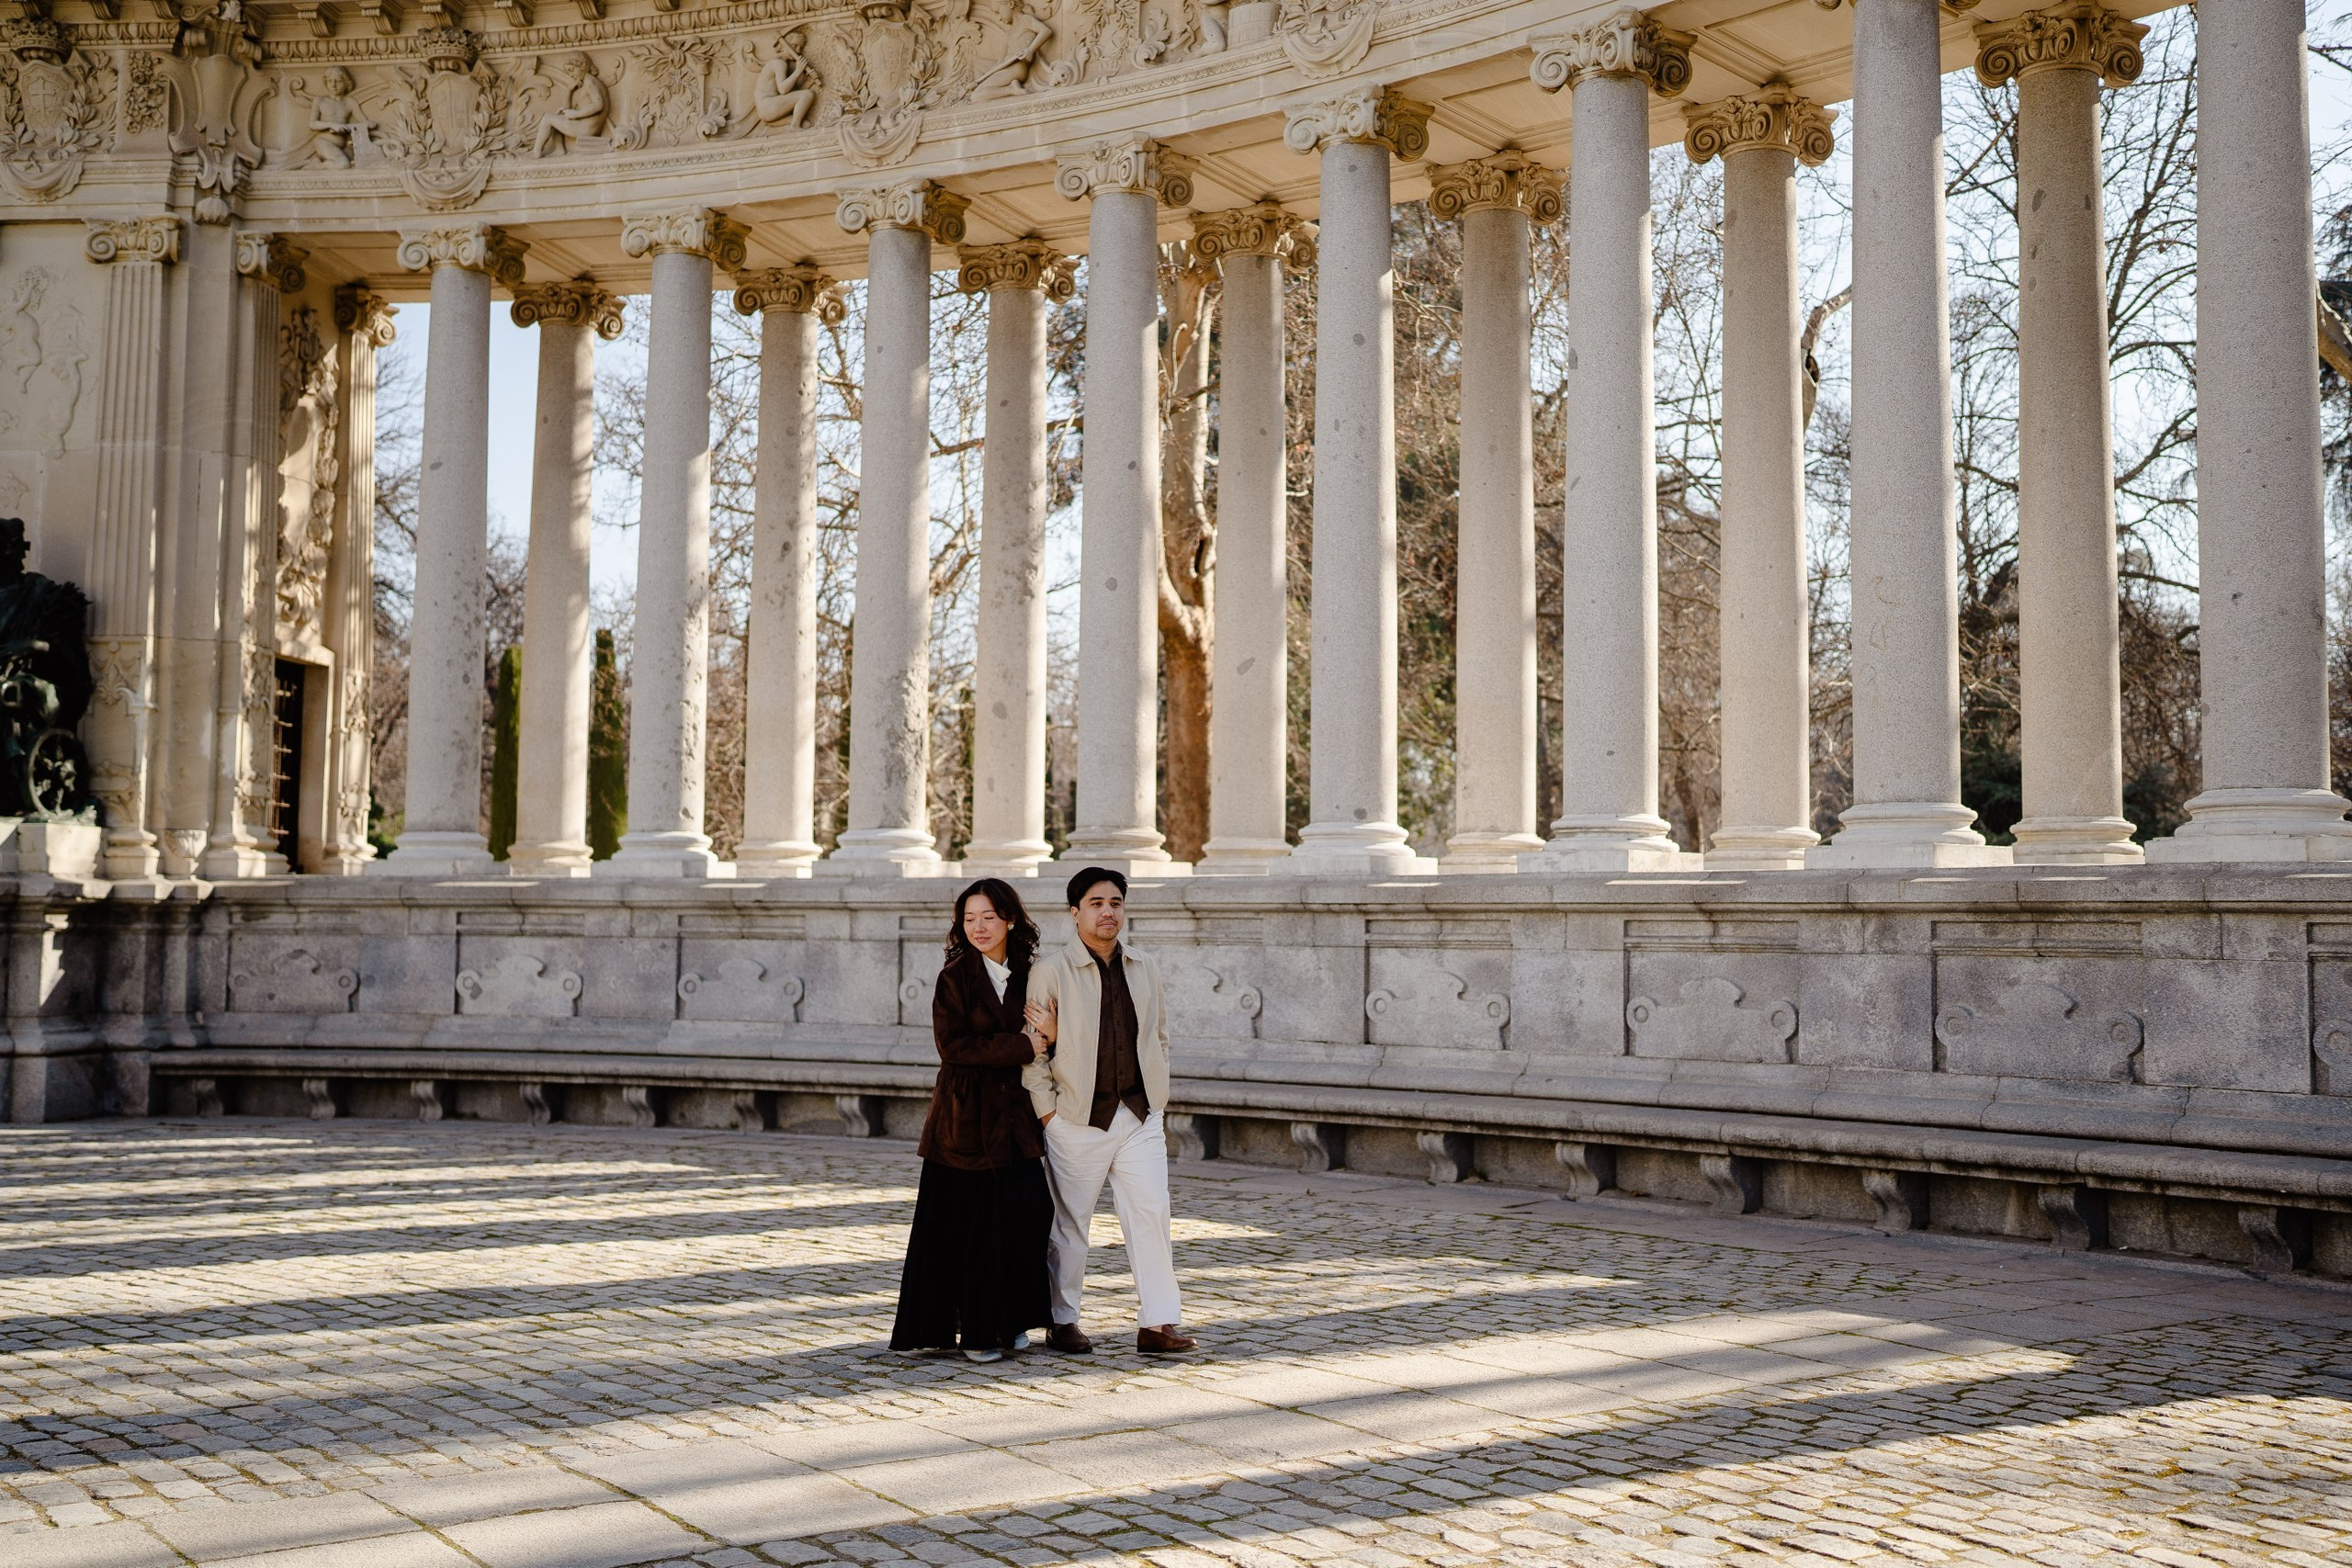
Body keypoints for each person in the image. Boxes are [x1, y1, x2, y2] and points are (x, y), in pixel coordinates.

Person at [1021, 867, 1198, 1356]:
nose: (1108, 911)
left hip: (1139, 1114)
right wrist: (1048, 1114)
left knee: (1151, 1214)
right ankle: (1063, 1320)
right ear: (1074, 912)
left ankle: (1157, 1324)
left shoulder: (1145, 966)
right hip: (1075, 1117)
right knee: (1071, 1223)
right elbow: (1033, 1054)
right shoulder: (1050, 971)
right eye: (1096, 903)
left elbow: (1159, 1035)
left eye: (1116, 902)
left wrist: (1156, 1098)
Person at [888, 878, 1054, 1362]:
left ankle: (1011, 1321)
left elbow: (1052, 1031)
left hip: (1018, 1120)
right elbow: (954, 1048)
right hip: (963, 1121)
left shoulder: (1032, 972)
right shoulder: (955, 976)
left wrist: (1051, 1035)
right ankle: (977, 1333)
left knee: (1026, 1215)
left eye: (988, 917)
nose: (978, 927)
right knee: (970, 1229)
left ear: (1010, 919)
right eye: (969, 919)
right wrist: (1023, 1046)